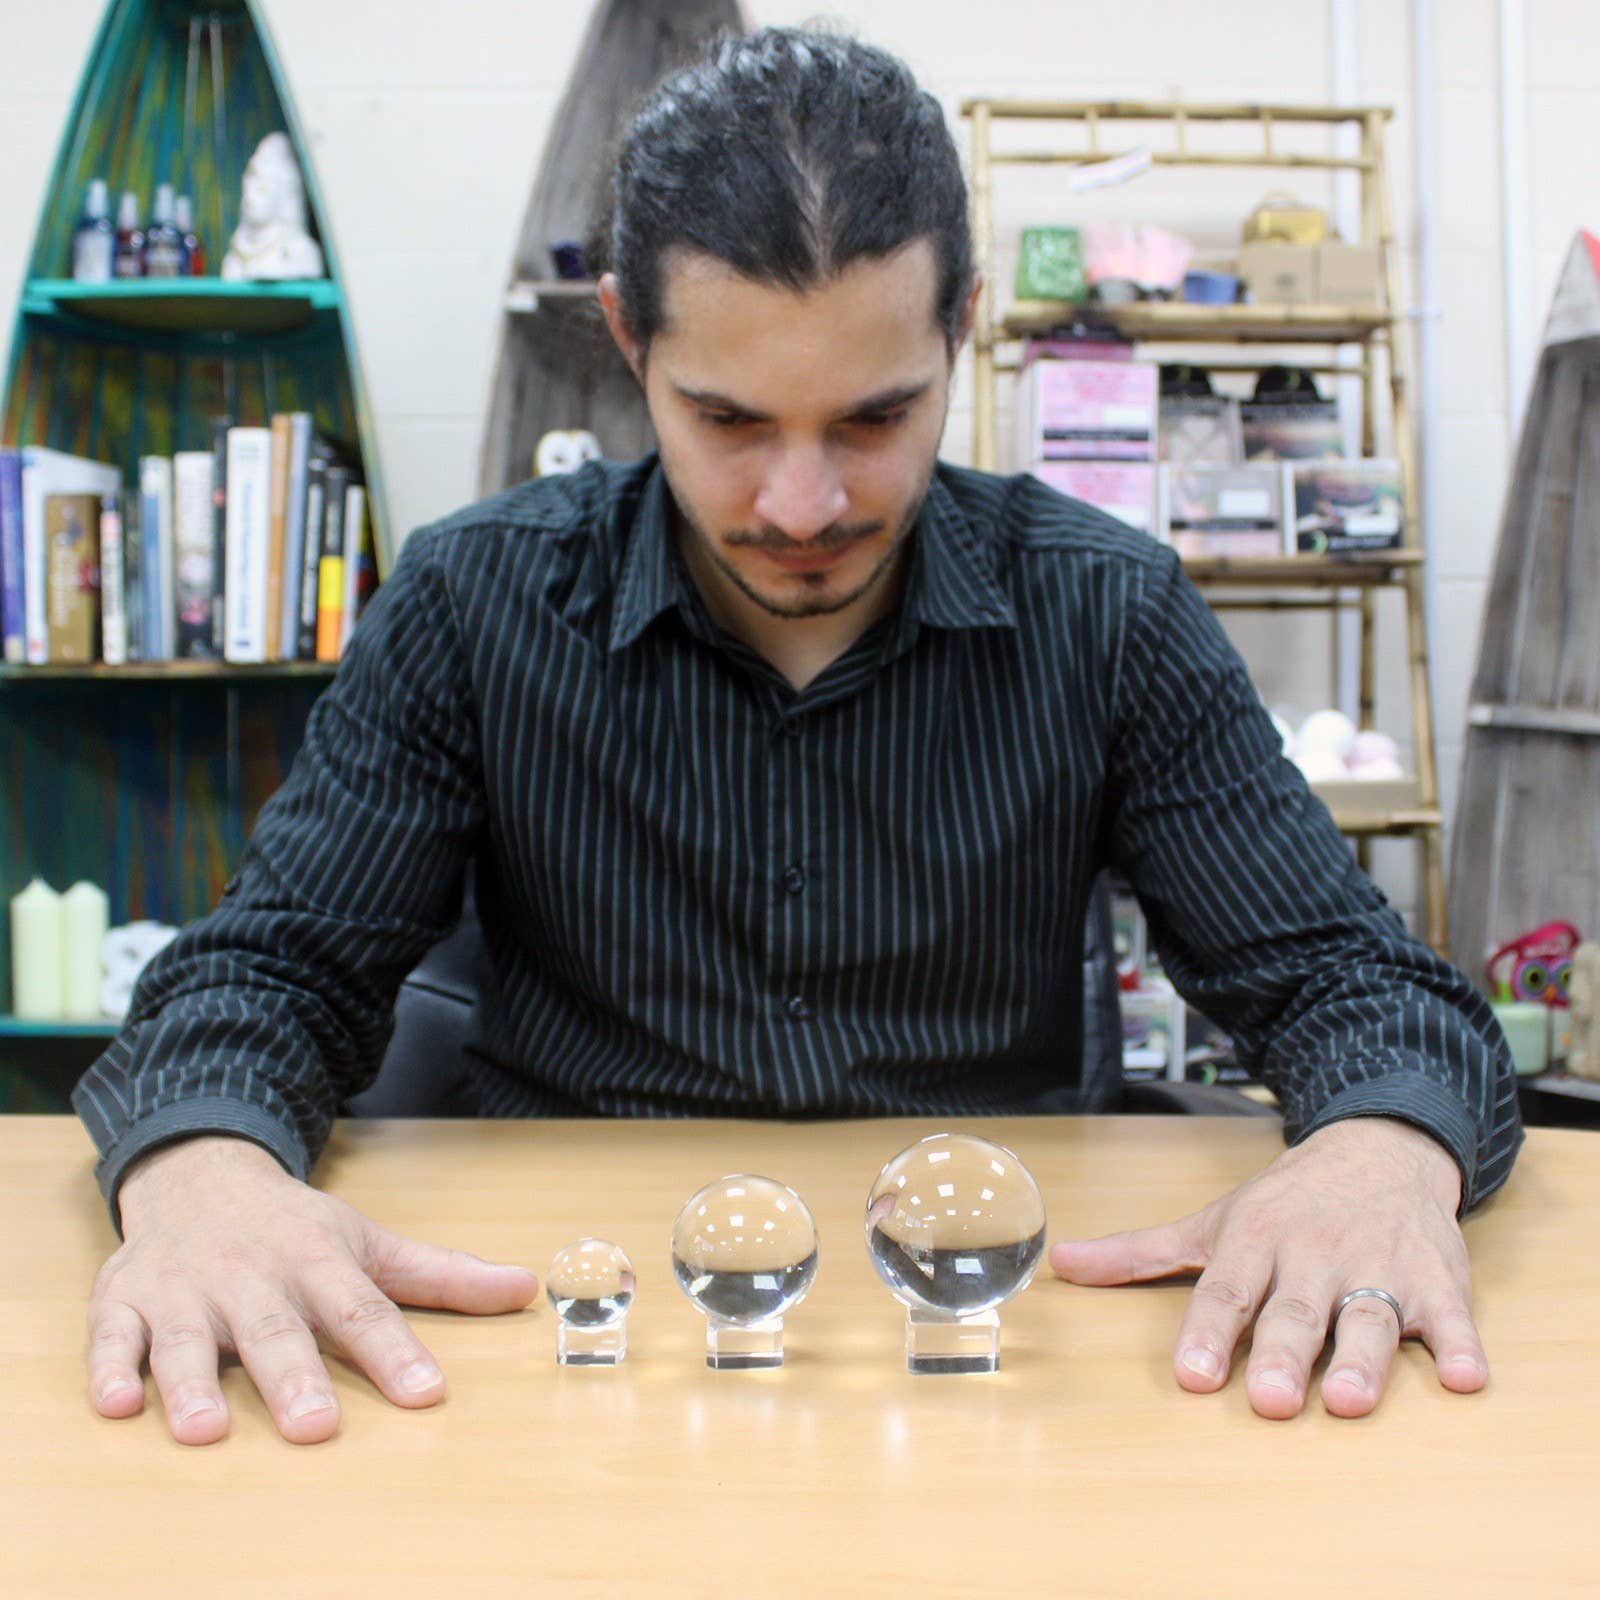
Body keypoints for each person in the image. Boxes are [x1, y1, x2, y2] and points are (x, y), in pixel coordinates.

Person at [74, 27, 1521, 1448]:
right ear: (630, 343)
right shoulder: (471, 600)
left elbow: (1355, 981)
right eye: (729, 419)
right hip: (572, 1333)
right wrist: (202, 1165)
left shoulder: (1109, 609)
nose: (806, 503)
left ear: (958, 329)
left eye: (877, 415)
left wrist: (1380, 1151)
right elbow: (270, 970)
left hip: (1000, 1338)